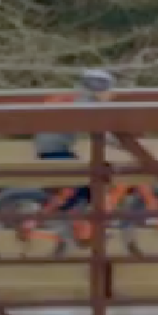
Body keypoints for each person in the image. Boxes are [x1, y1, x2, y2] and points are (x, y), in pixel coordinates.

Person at [34, 69, 116, 240]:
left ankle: (77, 222)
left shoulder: (74, 97)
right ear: (98, 88)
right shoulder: (86, 102)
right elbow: (98, 130)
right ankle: (59, 220)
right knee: (86, 181)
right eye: (108, 89)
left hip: (51, 149)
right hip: (55, 150)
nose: (110, 94)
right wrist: (124, 145)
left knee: (87, 184)